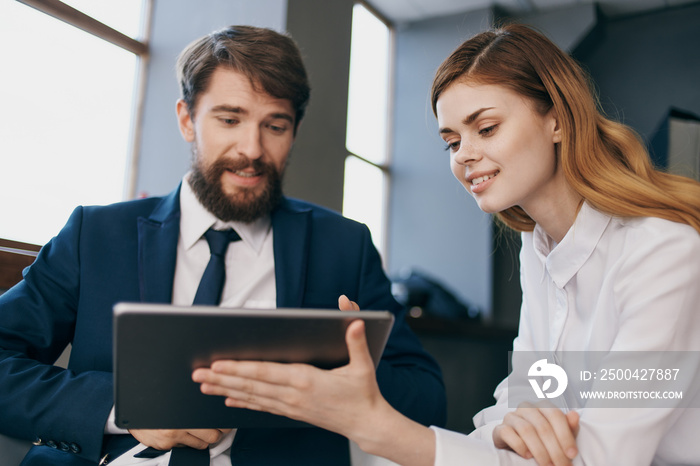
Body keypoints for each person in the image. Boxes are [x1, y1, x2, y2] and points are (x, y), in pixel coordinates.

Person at [192, 23, 700, 466]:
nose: (465, 157)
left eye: (486, 128)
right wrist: (508, 426)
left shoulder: (664, 254)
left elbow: (597, 458)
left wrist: (375, 426)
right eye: (452, 142)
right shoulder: (540, 248)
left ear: (558, 119)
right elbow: (529, 401)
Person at [0, 25, 447, 466]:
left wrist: (349, 380)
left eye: (275, 125)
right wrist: (122, 408)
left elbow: (426, 397)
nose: (251, 149)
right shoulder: (94, 234)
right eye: (230, 119)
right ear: (186, 119)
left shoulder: (343, 246)